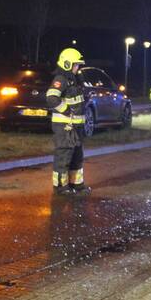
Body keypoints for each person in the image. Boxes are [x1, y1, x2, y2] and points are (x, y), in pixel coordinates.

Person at [45, 48, 91, 196]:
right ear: (67, 64)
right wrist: (66, 110)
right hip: (65, 126)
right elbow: (51, 98)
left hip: (76, 126)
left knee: (77, 156)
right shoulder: (61, 79)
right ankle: (60, 187)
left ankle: (76, 184)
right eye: (76, 65)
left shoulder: (75, 79)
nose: (78, 68)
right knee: (63, 157)